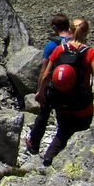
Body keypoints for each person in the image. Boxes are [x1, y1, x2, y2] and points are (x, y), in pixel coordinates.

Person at [34, 18, 94, 167]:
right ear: (87, 32)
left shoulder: (59, 50)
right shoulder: (91, 53)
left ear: (71, 30)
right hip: (82, 105)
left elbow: (46, 75)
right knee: (82, 134)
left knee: (62, 133)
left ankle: (48, 159)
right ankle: (75, 165)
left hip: (61, 101)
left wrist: (40, 92)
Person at [25, 14, 73, 156]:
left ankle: (34, 143)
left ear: (54, 27)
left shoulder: (52, 45)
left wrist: (40, 90)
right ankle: (61, 148)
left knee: (44, 114)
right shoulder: (77, 42)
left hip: (53, 86)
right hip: (70, 86)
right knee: (64, 119)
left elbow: (44, 71)